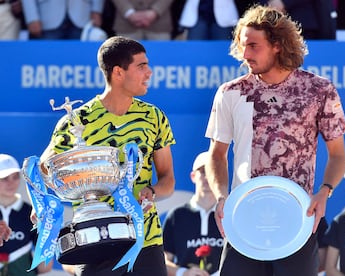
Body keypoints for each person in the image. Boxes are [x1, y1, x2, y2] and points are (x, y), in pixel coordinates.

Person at [204, 5, 345, 276]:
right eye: (242, 46)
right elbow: (216, 155)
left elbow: (338, 155)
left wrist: (324, 191)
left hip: (297, 218)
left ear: (278, 45)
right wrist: (221, 197)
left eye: (254, 46)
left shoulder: (319, 90)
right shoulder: (230, 92)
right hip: (243, 217)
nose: (245, 55)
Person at [39, 36, 176, 275]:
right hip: (94, 238)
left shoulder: (155, 117)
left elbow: (168, 180)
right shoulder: (76, 121)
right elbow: (45, 167)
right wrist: (43, 203)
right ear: (118, 72)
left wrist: (152, 192)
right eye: (141, 66)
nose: (149, 72)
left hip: (146, 239)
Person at [163, 151, 224, 276]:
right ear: (193, 176)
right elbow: (163, 260)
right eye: (203, 172)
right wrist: (183, 273)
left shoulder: (227, 215)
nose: (207, 177)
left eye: (212, 172)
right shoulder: (177, 215)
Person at [0, 154, 52, 275]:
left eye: (15, 177)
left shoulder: (31, 213)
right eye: (4, 178)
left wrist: (49, 232)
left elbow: (45, 266)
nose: (11, 182)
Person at [21, 0, 104, 39]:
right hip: (46, 16)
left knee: (80, 62)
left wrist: (96, 9)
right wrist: (32, 17)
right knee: (46, 62)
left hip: (82, 14)